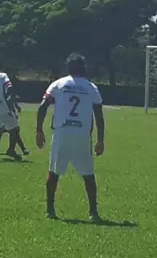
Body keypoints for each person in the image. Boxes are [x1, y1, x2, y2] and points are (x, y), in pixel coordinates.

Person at [36, 53, 105, 222]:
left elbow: (43, 106)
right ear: (83, 68)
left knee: (54, 173)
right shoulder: (91, 87)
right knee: (88, 175)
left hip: (62, 133)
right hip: (82, 134)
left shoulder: (58, 84)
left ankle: (50, 210)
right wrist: (100, 140)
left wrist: (39, 130)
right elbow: (99, 115)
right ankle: (93, 213)